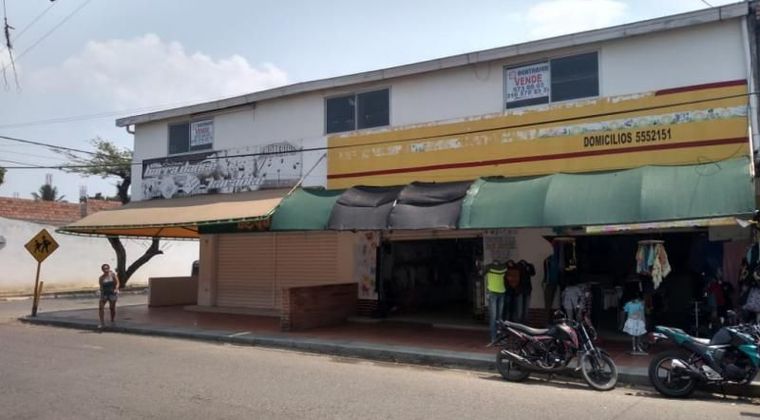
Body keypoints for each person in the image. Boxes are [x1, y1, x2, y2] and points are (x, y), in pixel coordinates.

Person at [485, 259, 507, 341]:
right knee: (495, 316)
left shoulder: (489, 267)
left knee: (498, 317)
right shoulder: (490, 267)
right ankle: (494, 337)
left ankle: (497, 336)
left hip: (500, 292)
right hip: (493, 292)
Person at [98, 264, 119, 328]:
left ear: (109, 268)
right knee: (101, 307)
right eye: (104, 268)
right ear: (102, 270)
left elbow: (117, 283)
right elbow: (101, 286)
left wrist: (116, 289)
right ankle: (102, 322)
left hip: (112, 293)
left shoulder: (112, 275)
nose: (106, 270)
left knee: (112, 308)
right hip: (104, 293)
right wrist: (100, 292)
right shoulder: (101, 278)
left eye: (107, 268)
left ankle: (112, 320)